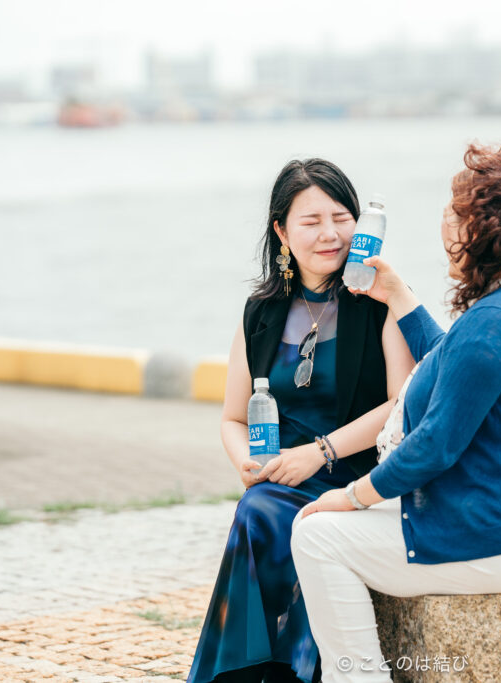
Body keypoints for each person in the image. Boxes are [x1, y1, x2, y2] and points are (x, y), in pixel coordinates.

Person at [289, 142, 501, 682]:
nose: (445, 227)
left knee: (317, 535)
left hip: (491, 539)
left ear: (481, 234)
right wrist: (397, 295)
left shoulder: (493, 322)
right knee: (330, 528)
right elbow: (451, 364)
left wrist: (350, 496)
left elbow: (434, 446)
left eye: (455, 216)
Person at [187, 158, 415, 683]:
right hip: (283, 479)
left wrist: (321, 452)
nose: (329, 234)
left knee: (265, 513)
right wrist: (246, 462)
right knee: (259, 505)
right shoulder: (260, 312)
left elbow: (400, 404)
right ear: (282, 232)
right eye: (311, 222)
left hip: (357, 480)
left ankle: (280, 674)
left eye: (341, 218)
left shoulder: (380, 301)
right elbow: (233, 418)